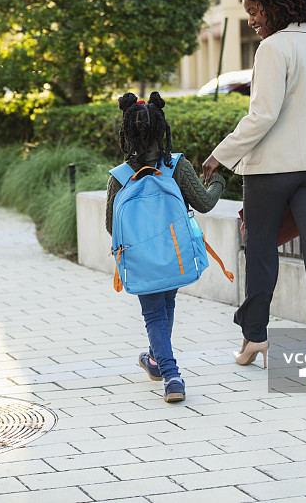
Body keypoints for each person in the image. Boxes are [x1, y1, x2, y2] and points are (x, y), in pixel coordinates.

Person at [202, 0, 306, 391]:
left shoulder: (272, 48)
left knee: (261, 250)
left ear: (274, 4)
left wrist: (220, 156)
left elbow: (261, 116)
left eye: (254, 10)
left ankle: (254, 336)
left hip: (272, 169)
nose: (251, 19)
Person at [107, 91, 226, 402]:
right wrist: (219, 182)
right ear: (161, 128)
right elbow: (205, 203)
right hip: (174, 255)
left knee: (154, 314)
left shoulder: (119, 178)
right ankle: (163, 365)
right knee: (166, 305)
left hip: (141, 260)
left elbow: (111, 226)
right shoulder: (176, 166)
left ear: (127, 133)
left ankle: (169, 374)